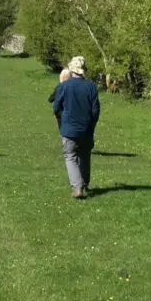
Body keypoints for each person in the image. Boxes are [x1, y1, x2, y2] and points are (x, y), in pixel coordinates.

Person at [52, 56, 100, 199]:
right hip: (86, 128)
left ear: (71, 69)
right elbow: (96, 110)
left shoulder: (64, 86)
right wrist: (91, 123)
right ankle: (84, 183)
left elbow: (56, 107)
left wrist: (62, 118)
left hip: (69, 128)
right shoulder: (91, 86)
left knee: (70, 156)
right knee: (84, 156)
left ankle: (77, 186)